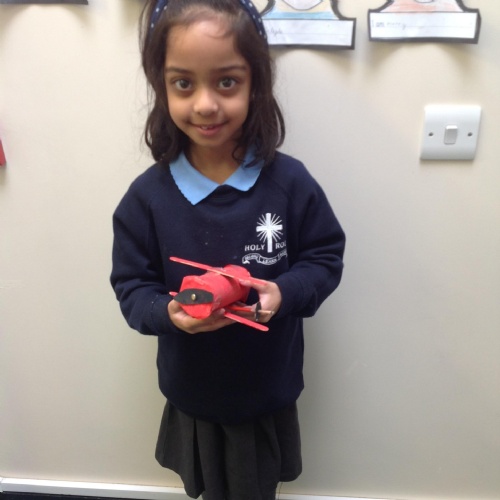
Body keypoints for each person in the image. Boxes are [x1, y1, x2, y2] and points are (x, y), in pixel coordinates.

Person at [110, 0, 345, 498]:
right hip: (192, 394)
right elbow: (132, 287)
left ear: (255, 83)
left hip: (266, 391)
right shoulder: (146, 198)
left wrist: (283, 292)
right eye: (183, 83)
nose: (205, 105)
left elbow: (324, 258)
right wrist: (168, 313)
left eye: (226, 82)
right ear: (160, 85)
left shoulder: (290, 183)